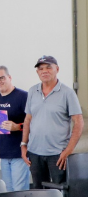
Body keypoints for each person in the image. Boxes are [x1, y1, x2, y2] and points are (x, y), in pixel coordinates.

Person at [22, 56, 84, 189]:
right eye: (41, 69)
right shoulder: (32, 91)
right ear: (37, 72)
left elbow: (79, 122)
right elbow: (28, 120)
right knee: (38, 192)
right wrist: (23, 145)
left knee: (59, 191)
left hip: (58, 154)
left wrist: (68, 150)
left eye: (48, 67)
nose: (44, 71)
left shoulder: (68, 93)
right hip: (34, 152)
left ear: (57, 69)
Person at [0, 65, 30, 191]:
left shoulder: (23, 96)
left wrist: (18, 127)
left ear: (9, 77)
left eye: (1, 78)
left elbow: (35, 123)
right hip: (3, 154)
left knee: (19, 191)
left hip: (19, 153)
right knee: (8, 191)